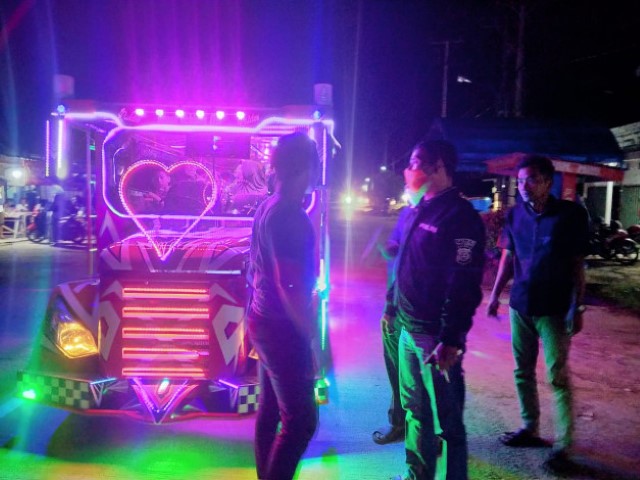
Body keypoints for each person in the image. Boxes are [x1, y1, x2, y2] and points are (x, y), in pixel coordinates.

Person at [486, 154, 589, 474]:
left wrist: (578, 306)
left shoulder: (570, 215)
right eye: (520, 181)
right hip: (521, 305)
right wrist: (494, 296)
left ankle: (564, 447)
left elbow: (577, 264)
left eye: (531, 179)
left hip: (555, 309)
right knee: (523, 371)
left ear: (547, 181)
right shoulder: (515, 215)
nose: (524, 186)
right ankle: (530, 428)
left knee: (557, 376)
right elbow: (508, 258)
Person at [391, 140, 486, 480]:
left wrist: (452, 338)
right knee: (414, 410)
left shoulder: (460, 217)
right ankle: (417, 474)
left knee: (449, 422)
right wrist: (391, 306)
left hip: (436, 338)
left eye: (417, 163)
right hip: (407, 329)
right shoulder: (415, 208)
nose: (410, 170)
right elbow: (400, 261)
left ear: (440, 167)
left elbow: (464, 283)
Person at [246, 132, 320, 480]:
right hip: (282, 326)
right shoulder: (289, 215)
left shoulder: (269, 207)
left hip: (263, 319)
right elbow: (288, 285)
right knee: (301, 422)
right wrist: (309, 334)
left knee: (271, 411)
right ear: (305, 168)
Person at [372, 181, 428, 446]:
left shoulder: (441, 218)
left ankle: (427, 433)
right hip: (396, 304)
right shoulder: (408, 213)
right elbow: (396, 248)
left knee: (421, 376)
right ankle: (399, 423)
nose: (407, 185)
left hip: (423, 314)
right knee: (396, 369)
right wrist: (389, 307)